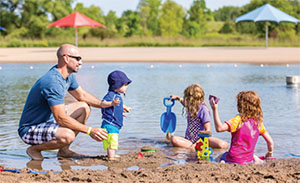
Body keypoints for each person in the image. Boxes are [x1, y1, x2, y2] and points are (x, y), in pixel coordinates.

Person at [18, 44, 119, 161]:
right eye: (77, 58)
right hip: (30, 129)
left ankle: (64, 151)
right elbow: (60, 118)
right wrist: (90, 130)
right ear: (66, 58)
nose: (80, 62)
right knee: (67, 135)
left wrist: (110, 105)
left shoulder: (67, 76)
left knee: (83, 107)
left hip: (48, 120)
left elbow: (82, 96)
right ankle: (34, 149)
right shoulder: (53, 82)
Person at [209, 90, 274, 164]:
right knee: (253, 156)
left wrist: (214, 109)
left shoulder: (238, 120)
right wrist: (270, 153)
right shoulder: (258, 123)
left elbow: (219, 128)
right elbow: (270, 142)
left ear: (240, 106)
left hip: (233, 158)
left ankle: (221, 162)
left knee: (220, 156)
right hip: (248, 160)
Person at [169, 84, 228, 150]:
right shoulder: (191, 106)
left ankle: (197, 147)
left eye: (187, 98)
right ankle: (194, 147)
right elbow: (184, 103)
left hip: (203, 140)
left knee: (223, 145)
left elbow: (208, 130)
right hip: (189, 140)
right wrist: (177, 98)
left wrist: (199, 142)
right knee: (174, 139)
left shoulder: (203, 109)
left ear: (191, 99)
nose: (186, 100)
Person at [101, 70, 132, 160]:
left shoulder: (116, 95)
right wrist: (111, 103)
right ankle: (111, 157)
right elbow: (103, 104)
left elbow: (117, 106)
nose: (126, 87)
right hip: (110, 124)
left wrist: (122, 109)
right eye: (124, 85)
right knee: (112, 142)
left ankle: (112, 155)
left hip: (113, 124)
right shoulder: (111, 96)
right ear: (117, 85)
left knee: (112, 140)